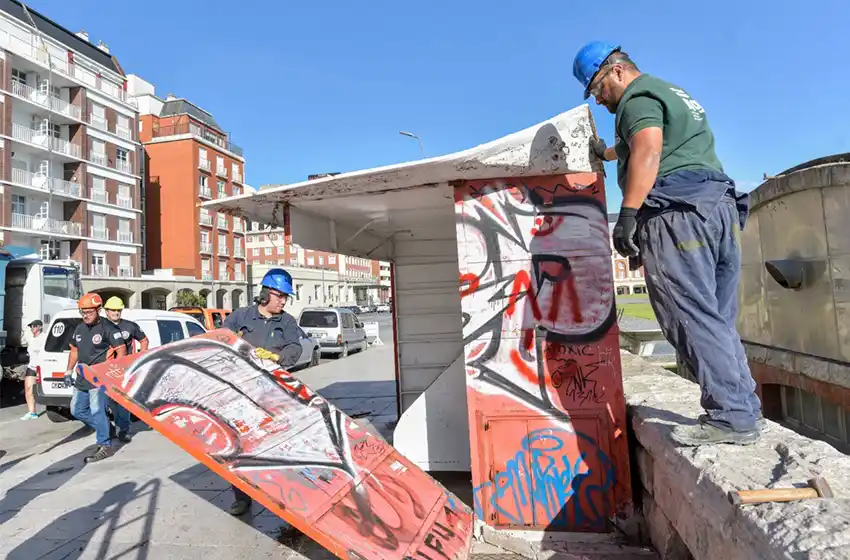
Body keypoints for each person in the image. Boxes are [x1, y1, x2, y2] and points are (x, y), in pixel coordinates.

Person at [572, 42, 763, 446]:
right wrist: (604, 153)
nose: (602, 102)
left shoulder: (635, 99)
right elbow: (633, 143)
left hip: (678, 214)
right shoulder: (669, 93)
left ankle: (731, 417)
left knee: (687, 312)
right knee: (716, 316)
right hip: (717, 209)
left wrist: (628, 213)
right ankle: (743, 405)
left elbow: (647, 147)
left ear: (617, 71)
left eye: (598, 90)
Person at [222, 268, 302, 516]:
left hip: (272, 392)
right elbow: (220, 339)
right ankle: (242, 497)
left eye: (285, 297)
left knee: (278, 443)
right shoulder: (241, 316)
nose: (283, 301)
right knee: (240, 447)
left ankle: (285, 496)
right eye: (280, 296)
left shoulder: (287, 321)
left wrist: (277, 356)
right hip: (240, 391)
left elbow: (295, 348)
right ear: (266, 294)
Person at [65, 292, 127, 462]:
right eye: (82, 312)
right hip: (82, 377)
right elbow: (74, 351)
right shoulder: (79, 328)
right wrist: (68, 371)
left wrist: (114, 372)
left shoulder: (109, 328)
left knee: (98, 410)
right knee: (76, 410)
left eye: (89, 312)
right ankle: (106, 429)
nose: (85, 315)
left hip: (99, 378)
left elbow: (121, 350)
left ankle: (105, 445)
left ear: (98, 310)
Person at [103, 296, 149, 443]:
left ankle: (123, 430)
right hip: (103, 370)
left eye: (118, 310)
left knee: (122, 403)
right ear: (106, 311)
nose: (116, 313)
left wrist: (138, 357)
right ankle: (109, 428)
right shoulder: (100, 327)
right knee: (105, 403)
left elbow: (144, 340)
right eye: (113, 310)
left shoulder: (130, 326)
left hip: (123, 371)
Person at [19, 320, 45, 420]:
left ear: (40, 327)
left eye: (34, 326)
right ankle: (32, 412)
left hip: (42, 367)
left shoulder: (44, 338)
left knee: (44, 389)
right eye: (31, 326)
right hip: (32, 366)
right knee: (28, 389)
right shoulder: (31, 338)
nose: (32, 328)